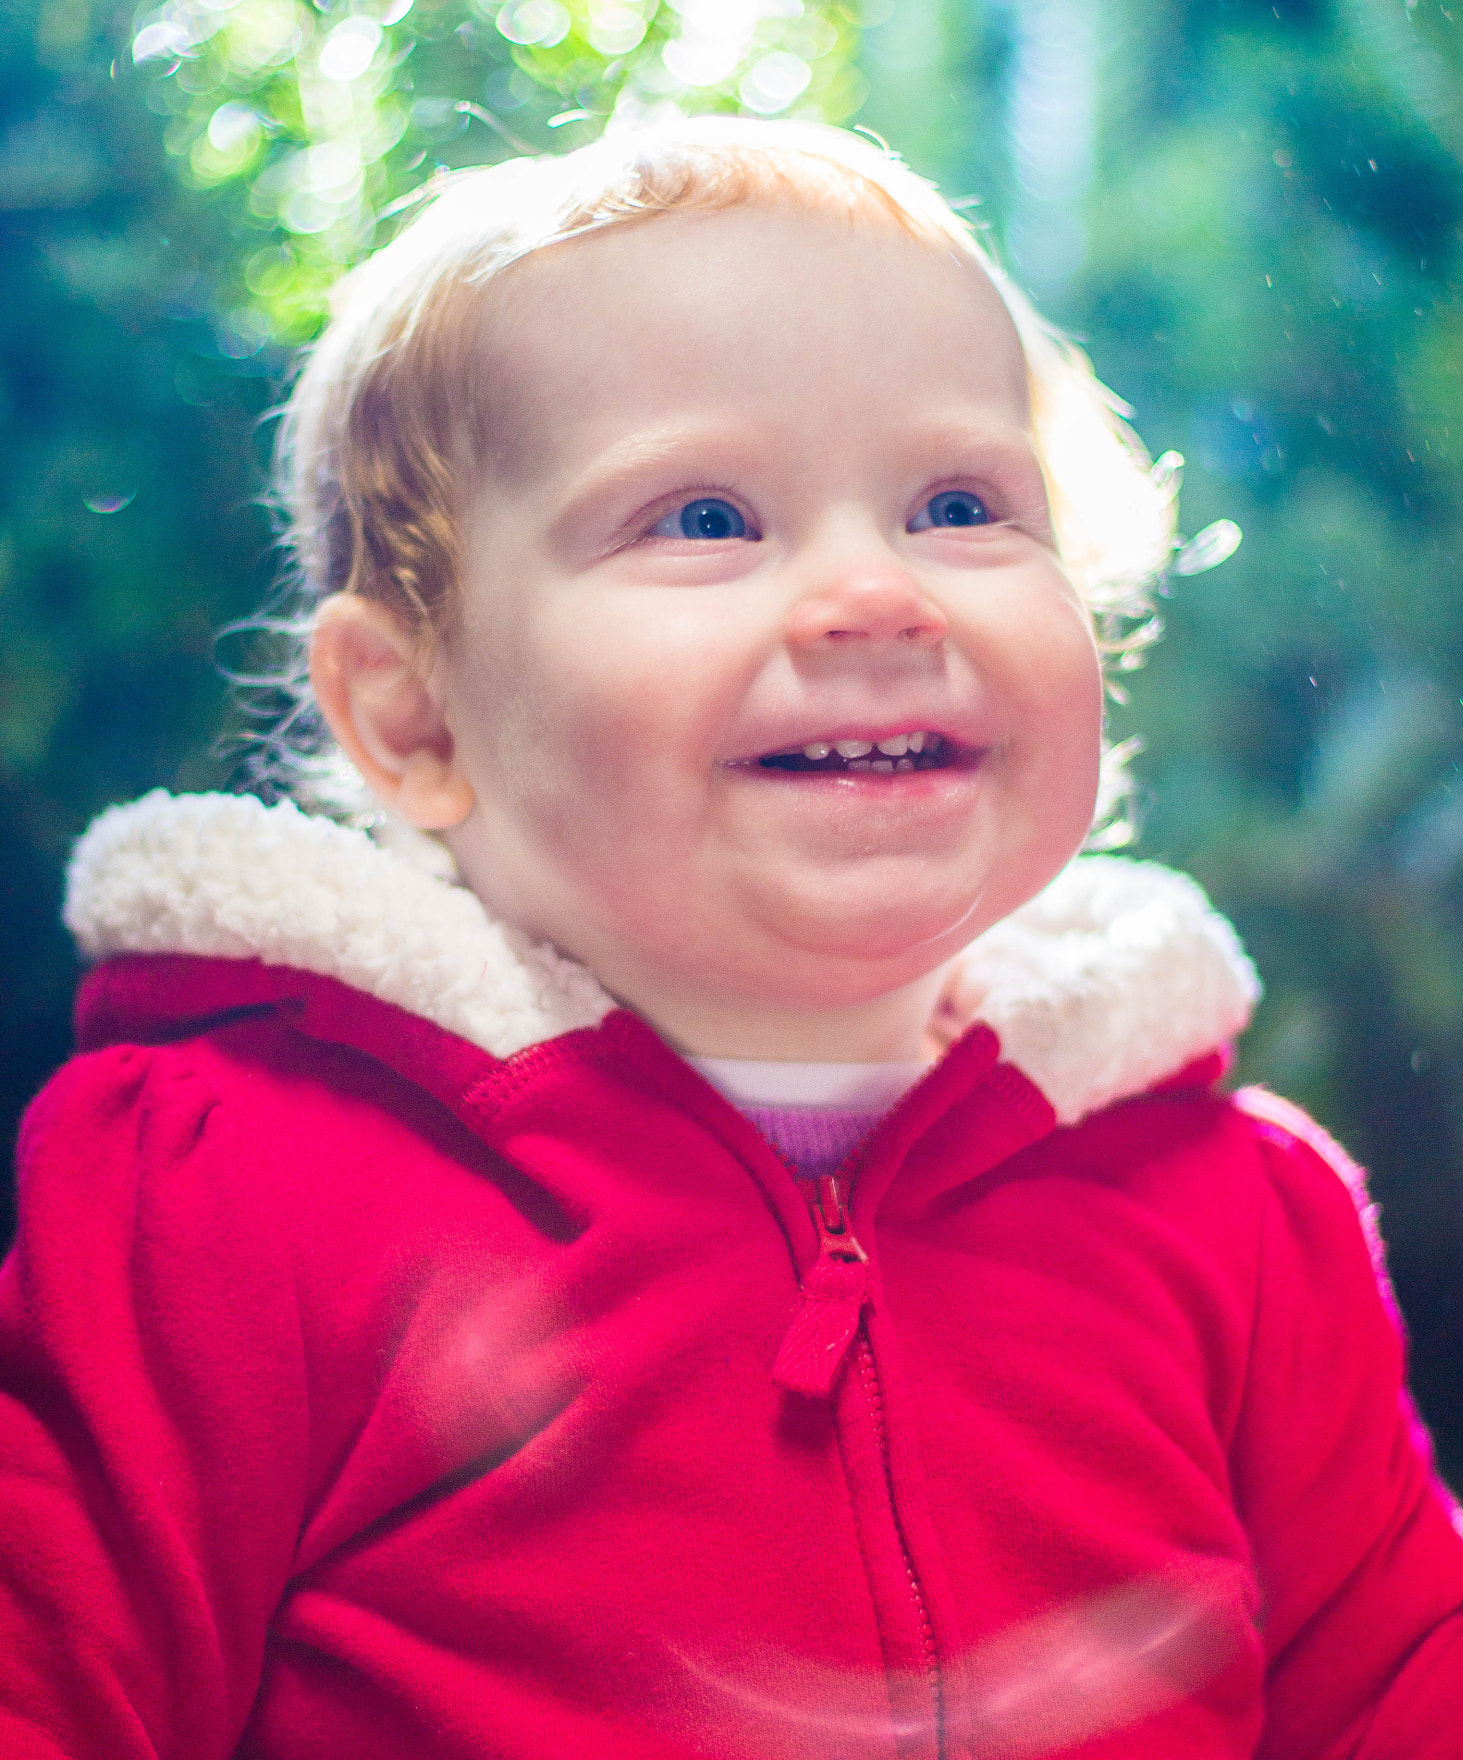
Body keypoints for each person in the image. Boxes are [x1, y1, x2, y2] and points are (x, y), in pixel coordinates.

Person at [2, 118, 1460, 1760]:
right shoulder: (232, 1195)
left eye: (961, 502)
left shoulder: (1232, 1213)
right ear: (414, 719)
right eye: (704, 519)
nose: (877, 592)